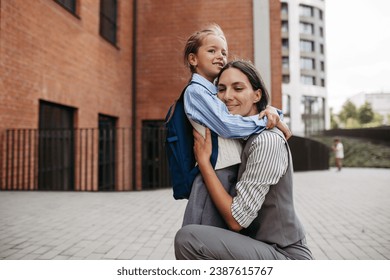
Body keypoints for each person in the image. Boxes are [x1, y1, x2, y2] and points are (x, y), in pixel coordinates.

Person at [175, 60, 313, 260]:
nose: (227, 96)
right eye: (221, 89)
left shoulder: (266, 141)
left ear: (257, 95)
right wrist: (272, 112)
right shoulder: (239, 135)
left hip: (284, 254)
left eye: (238, 88)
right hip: (258, 247)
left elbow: (237, 220)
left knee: (189, 239)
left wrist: (204, 164)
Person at [181, 24, 291, 228]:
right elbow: (227, 125)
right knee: (202, 238)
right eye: (212, 50)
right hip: (216, 174)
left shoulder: (212, 93)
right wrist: (265, 119)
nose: (220, 56)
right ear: (193, 59)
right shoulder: (195, 92)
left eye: (224, 52)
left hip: (226, 172)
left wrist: (272, 112)